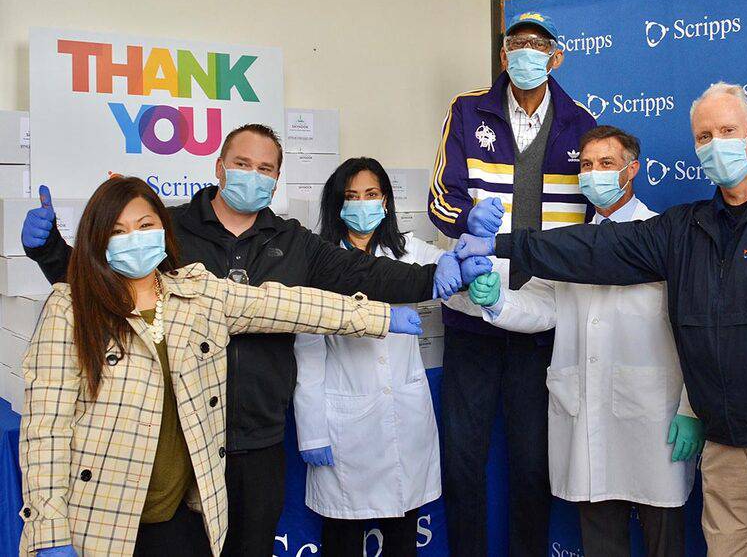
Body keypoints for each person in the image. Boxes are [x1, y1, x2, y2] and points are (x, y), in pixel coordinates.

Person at [454, 82, 747, 556]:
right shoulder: (687, 229)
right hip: (726, 445)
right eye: (703, 136)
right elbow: (598, 247)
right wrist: (502, 246)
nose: (715, 144)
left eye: (727, 130)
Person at [19, 124, 465, 557]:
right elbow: (100, 287)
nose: (253, 175)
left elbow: (305, 301)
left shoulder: (275, 249)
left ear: (276, 179)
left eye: (266, 168)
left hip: (256, 437)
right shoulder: (170, 232)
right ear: (219, 167)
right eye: (242, 163)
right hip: (175, 445)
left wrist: (411, 294)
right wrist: (51, 252)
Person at [467, 125, 703, 557]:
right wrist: (498, 302)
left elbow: (693, 330)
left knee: (663, 535)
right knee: (599, 536)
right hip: (586, 412)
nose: (594, 174)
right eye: (587, 165)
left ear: (632, 170)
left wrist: (691, 407)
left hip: (654, 416)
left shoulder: (663, 236)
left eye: (607, 164)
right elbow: (544, 307)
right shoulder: (567, 244)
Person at [426, 10, 596, 555]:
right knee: (463, 457)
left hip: (542, 317)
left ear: (556, 56)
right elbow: (442, 197)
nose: (525, 52)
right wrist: (465, 227)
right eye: (515, 43)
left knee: (532, 463)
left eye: (537, 44)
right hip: (471, 317)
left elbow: (593, 219)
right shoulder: (466, 109)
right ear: (503, 54)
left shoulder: (582, 122)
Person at [293, 157, 480, 556]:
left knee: (402, 536)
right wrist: (312, 430)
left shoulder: (408, 250)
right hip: (344, 425)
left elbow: (457, 273)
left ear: (386, 200)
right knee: (342, 539)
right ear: (336, 204)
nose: (363, 204)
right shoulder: (319, 259)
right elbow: (307, 355)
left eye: (372, 194)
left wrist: (461, 256)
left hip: (404, 419)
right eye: (352, 196)